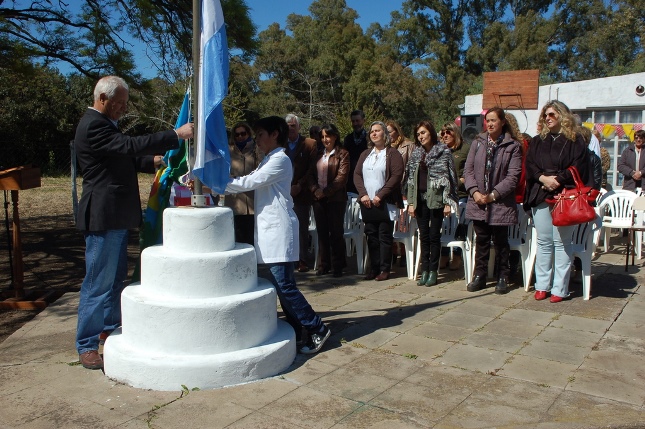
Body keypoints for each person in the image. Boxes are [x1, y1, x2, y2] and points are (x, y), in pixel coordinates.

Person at [74, 76, 194, 369]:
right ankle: (86, 344)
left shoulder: (105, 125)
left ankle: (109, 327)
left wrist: (150, 162)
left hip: (115, 214)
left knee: (114, 279)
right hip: (103, 215)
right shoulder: (94, 125)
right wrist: (175, 134)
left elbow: (119, 158)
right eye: (120, 103)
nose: (123, 109)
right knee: (97, 283)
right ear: (103, 98)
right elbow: (126, 145)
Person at [224, 116, 330, 354]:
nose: (257, 140)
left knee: (285, 286)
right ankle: (296, 329)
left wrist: (215, 185)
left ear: (274, 134)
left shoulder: (279, 160)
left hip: (278, 231)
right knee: (282, 287)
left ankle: (317, 328)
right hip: (270, 231)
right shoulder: (269, 159)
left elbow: (248, 182)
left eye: (260, 135)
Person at [524, 100, 592, 303]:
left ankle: (559, 289)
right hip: (540, 192)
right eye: (546, 115)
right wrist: (543, 179)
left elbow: (579, 166)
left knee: (562, 243)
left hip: (566, 196)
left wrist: (558, 180)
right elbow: (530, 164)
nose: (548, 118)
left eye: (552, 114)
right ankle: (542, 285)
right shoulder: (537, 141)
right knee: (543, 242)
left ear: (563, 116)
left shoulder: (576, 140)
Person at [464, 107, 522, 294]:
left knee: (500, 242)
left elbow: (513, 177)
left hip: (500, 203)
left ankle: (503, 276)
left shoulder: (512, 146)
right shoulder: (478, 142)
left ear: (502, 122)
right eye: (487, 120)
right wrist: (474, 192)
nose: (489, 124)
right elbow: (469, 170)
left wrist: (493, 195)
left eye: (493, 120)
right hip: (478, 201)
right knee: (481, 240)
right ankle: (479, 276)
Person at [405, 120, 458, 287]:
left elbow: (450, 178)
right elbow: (411, 180)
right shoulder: (415, 154)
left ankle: (434, 271)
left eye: (423, 133)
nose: (421, 137)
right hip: (419, 199)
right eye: (418, 134)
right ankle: (425, 269)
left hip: (436, 199)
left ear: (431, 133)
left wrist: (448, 202)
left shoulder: (443, 152)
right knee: (424, 236)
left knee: (435, 236)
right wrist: (411, 203)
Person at [354, 121, 404, 281]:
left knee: (384, 235)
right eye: (372, 131)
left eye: (377, 131)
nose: (374, 133)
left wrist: (380, 195)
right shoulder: (365, 154)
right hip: (367, 202)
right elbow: (357, 175)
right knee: (371, 235)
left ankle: (384, 269)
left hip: (384, 202)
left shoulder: (392, 154)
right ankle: (373, 268)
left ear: (385, 134)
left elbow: (396, 176)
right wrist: (363, 194)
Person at [307, 124, 349, 277]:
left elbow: (341, 179)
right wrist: (315, 190)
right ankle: (324, 265)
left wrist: (325, 192)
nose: (325, 139)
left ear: (335, 136)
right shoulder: (317, 154)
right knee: (322, 232)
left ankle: (338, 265)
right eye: (323, 136)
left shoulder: (342, 154)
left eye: (328, 136)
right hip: (318, 199)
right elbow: (310, 175)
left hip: (335, 199)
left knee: (336, 232)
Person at [285, 114, 318, 272]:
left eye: (293, 125)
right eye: (288, 125)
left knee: (301, 227)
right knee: (285, 227)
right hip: (283, 192)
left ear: (298, 127)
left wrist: (299, 185)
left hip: (301, 193)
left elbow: (312, 168)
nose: (290, 128)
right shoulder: (279, 144)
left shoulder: (310, 144)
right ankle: (288, 259)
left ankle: (302, 259)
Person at [224, 121, 263, 245]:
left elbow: (261, 170)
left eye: (243, 134)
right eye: (237, 135)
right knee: (237, 237)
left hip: (252, 200)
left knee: (252, 237)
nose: (240, 137)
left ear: (248, 133)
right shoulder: (228, 151)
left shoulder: (256, 149)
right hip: (234, 200)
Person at [439, 121, 470, 271]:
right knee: (444, 226)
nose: (445, 135)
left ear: (455, 133)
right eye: (443, 133)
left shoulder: (465, 149)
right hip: (443, 194)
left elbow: (468, 173)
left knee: (459, 225)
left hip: (460, 194)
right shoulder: (440, 150)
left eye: (448, 132)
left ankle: (457, 256)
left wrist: (457, 182)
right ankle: (444, 255)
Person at [386, 120, 416, 267]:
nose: (388, 134)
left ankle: (404, 253)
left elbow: (412, 169)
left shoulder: (408, 145)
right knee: (392, 222)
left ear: (397, 131)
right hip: (389, 189)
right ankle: (392, 252)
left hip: (403, 188)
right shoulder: (384, 147)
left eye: (390, 131)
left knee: (403, 223)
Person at [344, 110, 368, 194]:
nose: (355, 124)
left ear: (363, 120)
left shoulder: (369, 138)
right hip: (351, 178)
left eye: (357, 121)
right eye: (353, 121)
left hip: (366, 177)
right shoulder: (348, 139)